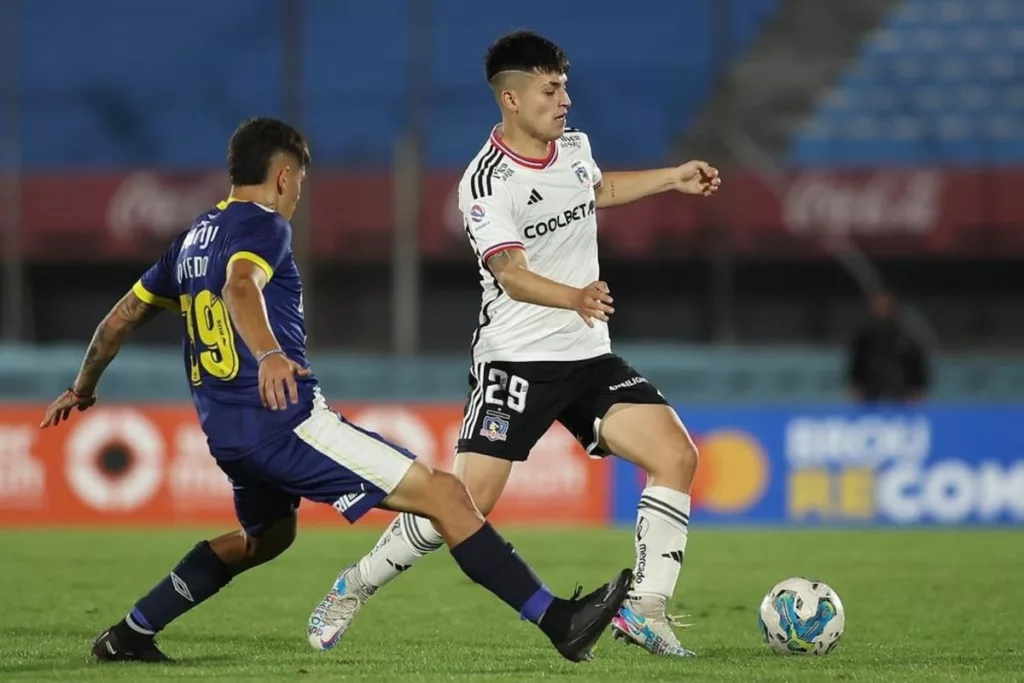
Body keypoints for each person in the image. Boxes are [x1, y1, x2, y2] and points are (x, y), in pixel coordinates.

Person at [39, 117, 631, 665]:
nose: (298, 195)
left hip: (228, 436)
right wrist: (270, 355)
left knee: (265, 538)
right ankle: (560, 622)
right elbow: (240, 287)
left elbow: (118, 319)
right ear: (283, 176)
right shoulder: (263, 226)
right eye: (299, 183)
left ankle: (129, 634)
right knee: (448, 496)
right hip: (285, 422)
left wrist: (82, 387)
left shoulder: (191, 240)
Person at [308, 31, 721, 659]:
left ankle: (645, 608)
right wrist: (575, 297)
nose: (565, 100)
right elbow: (510, 273)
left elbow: (595, 190)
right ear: (510, 98)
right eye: (550, 89)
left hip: (586, 354)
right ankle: (353, 586)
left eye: (565, 86)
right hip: (517, 360)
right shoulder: (485, 182)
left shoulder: (574, 149)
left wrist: (672, 178)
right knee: (462, 506)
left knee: (677, 456)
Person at [847, 291, 930, 403]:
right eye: (879, 306)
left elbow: (916, 361)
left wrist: (917, 387)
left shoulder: (906, 334)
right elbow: (857, 361)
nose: (882, 311)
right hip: (870, 392)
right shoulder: (865, 334)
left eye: (886, 306)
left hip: (901, 393)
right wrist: (856, 385)